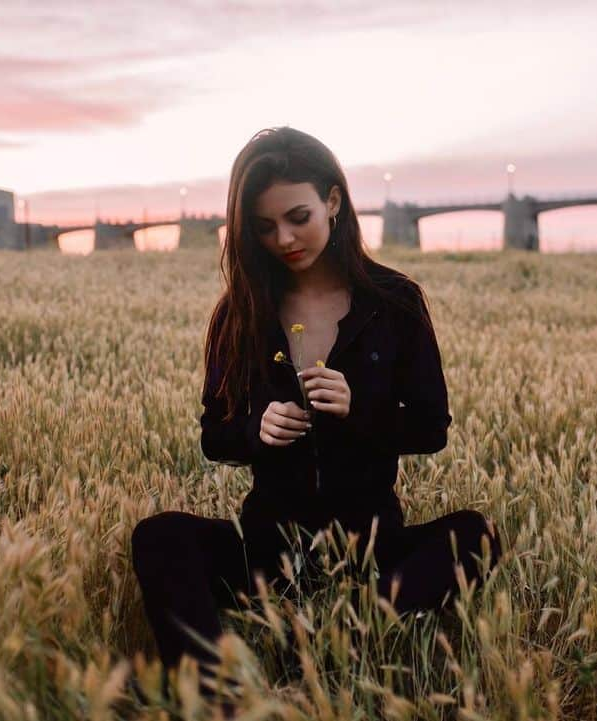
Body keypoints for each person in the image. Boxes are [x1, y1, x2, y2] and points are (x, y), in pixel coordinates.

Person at [130, 126, 501, 708]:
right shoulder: (241, 311)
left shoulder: (396, 302)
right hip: (267, 550)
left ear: (333, 200)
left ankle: (352, 635)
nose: (283, 239)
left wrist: (361, 410)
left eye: (298, 216)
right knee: (158, 538)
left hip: (373, 550)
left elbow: (431, 428)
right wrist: (257, 430)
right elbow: (214, 436)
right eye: (263, 227)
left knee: (476, 534)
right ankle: (217, 693)